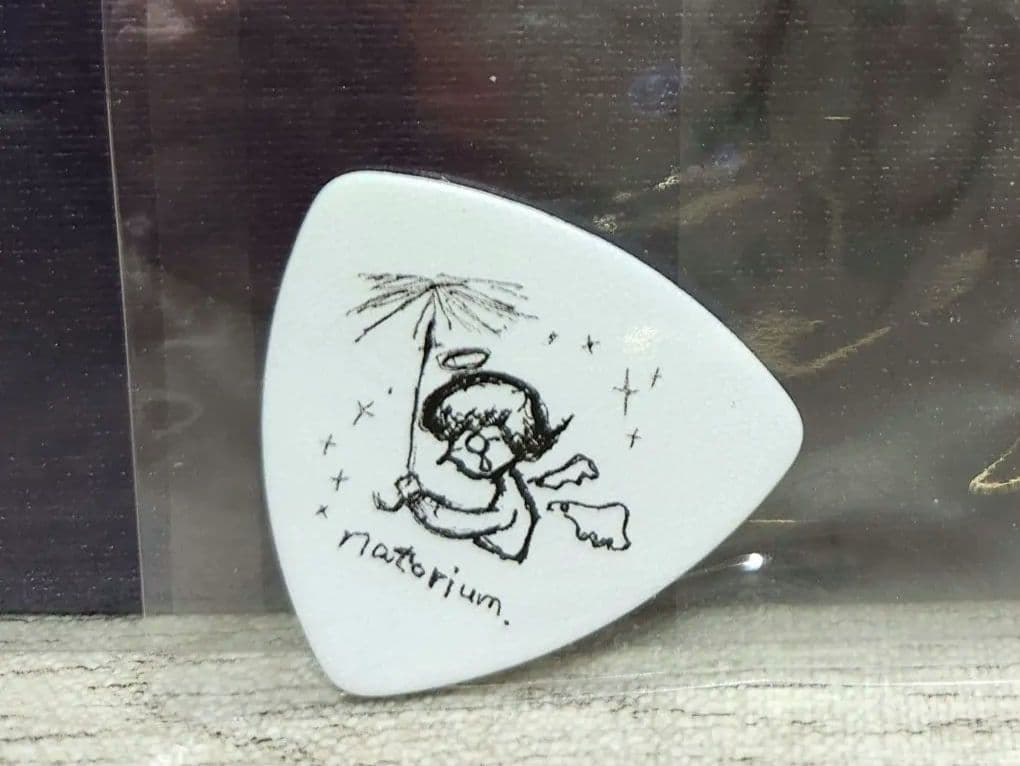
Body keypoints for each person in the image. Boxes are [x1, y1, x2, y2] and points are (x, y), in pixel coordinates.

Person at [392, 371, 571, 563]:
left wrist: (417, 502)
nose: (467, 451)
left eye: (501, 442)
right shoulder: (450, 470)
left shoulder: (507, 495)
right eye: (459, 438)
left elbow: (458, 522)